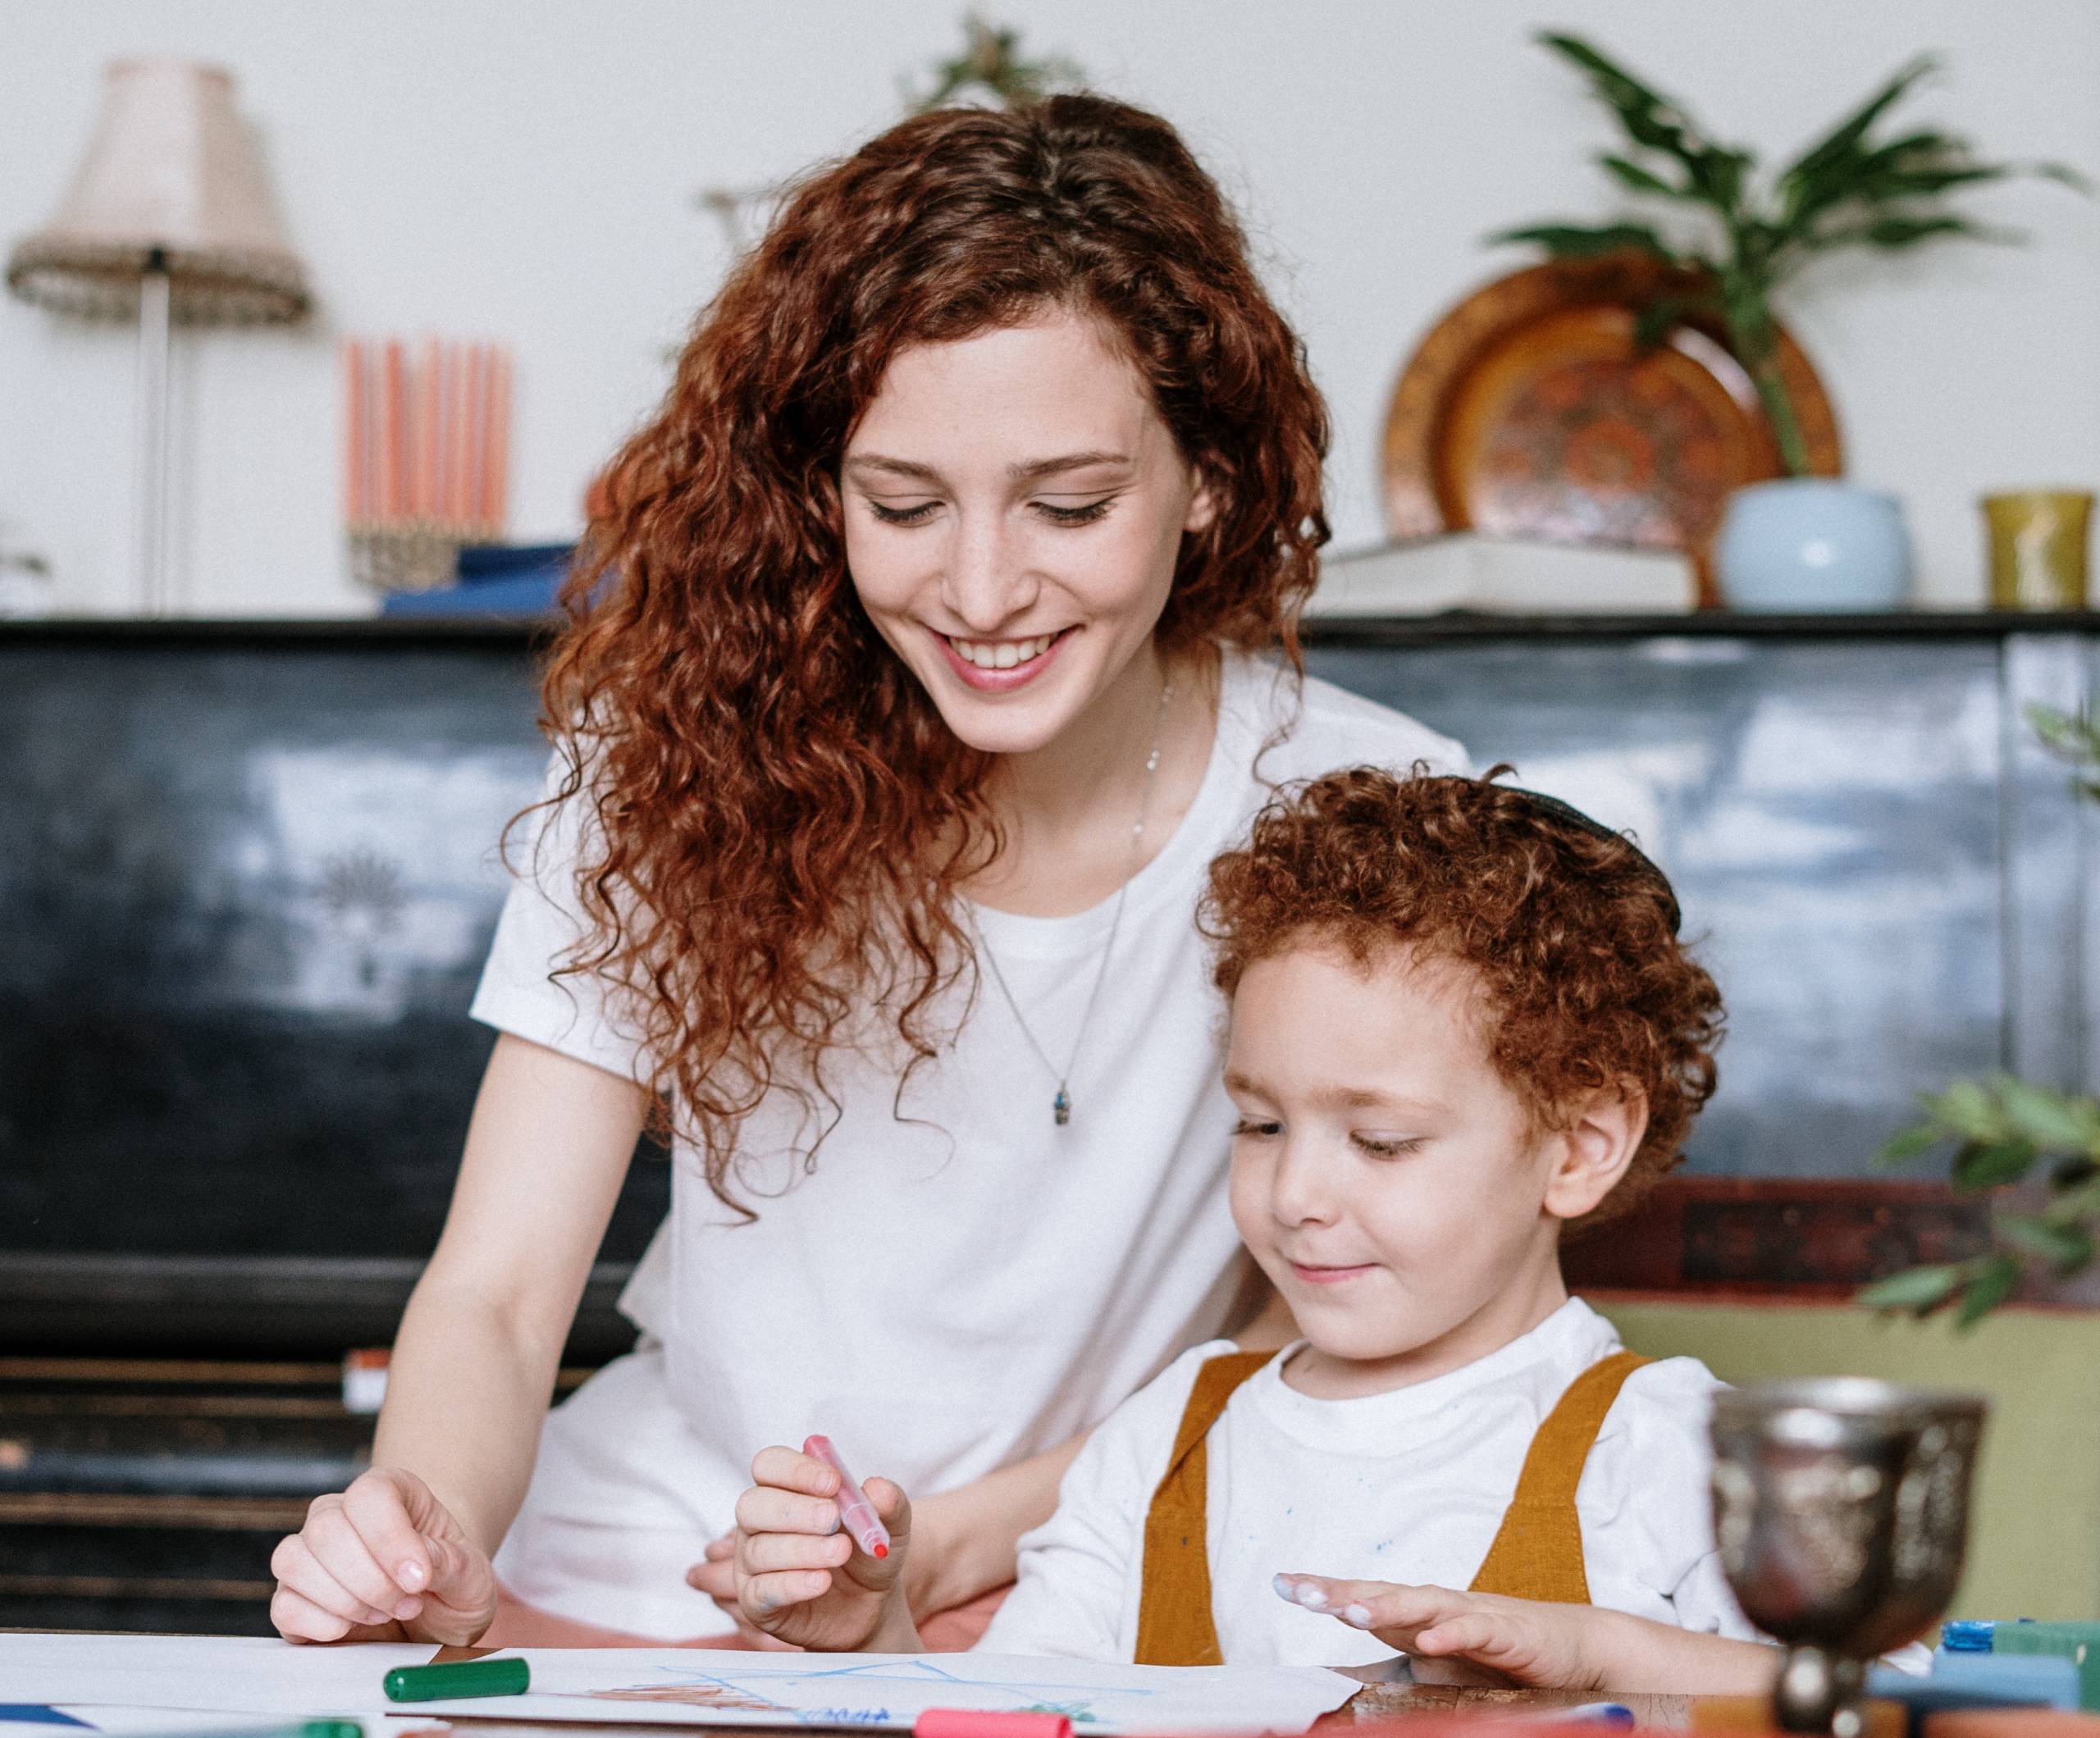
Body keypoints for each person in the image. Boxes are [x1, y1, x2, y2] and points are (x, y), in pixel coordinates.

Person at [265, 96, 1465, 1649]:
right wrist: (422, 1526)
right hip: (659, 1544)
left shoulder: (1370, 811)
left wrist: (966, 1546)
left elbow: (1313, 1335)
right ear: (821, 498)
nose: (979, 590)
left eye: (1071, 505)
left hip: (1111, 1551)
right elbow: (495, 1296)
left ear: (1211, 483)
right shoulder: (670, 766)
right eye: (902, 506)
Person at [727, 768, 1787, 1691]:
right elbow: (1023, 1714)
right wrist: (876, 1640)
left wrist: (1608, 1652)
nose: (1294, 1194)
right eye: (1260, 1123)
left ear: (1580, 1145)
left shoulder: (1676, 1448)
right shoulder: (1171, 1439)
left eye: (1378, 1141)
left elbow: (1888, 1708)